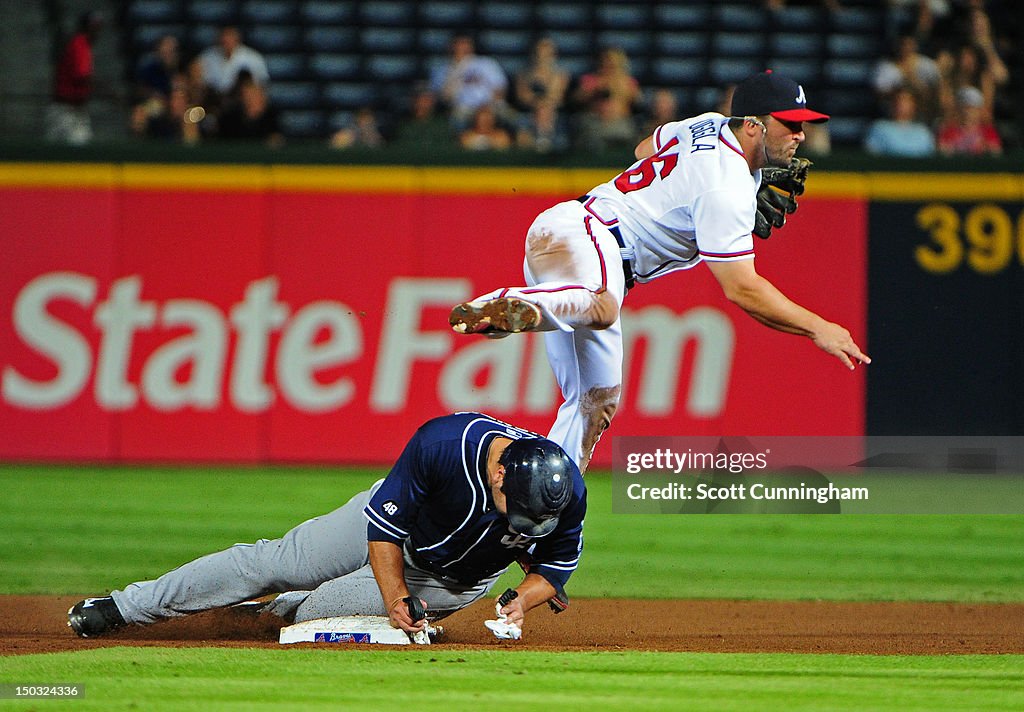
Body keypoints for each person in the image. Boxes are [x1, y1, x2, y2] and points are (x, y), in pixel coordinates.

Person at [449, 72, 870, 472]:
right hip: (587, 238)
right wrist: (818, 327)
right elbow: (744, 290)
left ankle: (547, 509)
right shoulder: (726, 189)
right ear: (753, 127)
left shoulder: (709, 124)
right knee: (602, 306)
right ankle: (512, 303)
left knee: (596, 402)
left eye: (803, 125)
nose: (800, 134)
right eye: (788, 123)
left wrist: (686, 190)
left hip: (583, 243)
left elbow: (644, 149)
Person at [67, 413, 585, 639]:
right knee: (270, 563)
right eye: (510, 505)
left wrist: (526, 598)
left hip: (449, 581)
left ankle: (271, 614)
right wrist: (393, 598)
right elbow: (384, 528)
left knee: (313, 613)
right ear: (499, 470)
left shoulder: (565, 490)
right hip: (385, 529)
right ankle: (124, 606)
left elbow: (556, 564)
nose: (513, 521)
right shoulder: (444, 444)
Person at [46, 11, 103, 145]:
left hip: (67, 109)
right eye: (94, 27)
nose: (98, 31)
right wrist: (109, 92)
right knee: (78, 154)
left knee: (54, 156)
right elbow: (83, 75)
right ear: (86, 27)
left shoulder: (79, 43)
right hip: (67, 111)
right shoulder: (80, 43)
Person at [429, 34, 508, 128]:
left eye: (465, 44)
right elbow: (443, 98)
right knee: (456, 120)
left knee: (514, 119)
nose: (462, 48)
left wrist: (486, 108)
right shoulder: (441, 69)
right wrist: (456, 69)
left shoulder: (486, 63)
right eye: (459, 44)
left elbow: (500, 90)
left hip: (489, 107)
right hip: (461, 110)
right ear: (451, 46)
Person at [573, 48, 642, 152]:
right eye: (606, 62)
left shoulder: (627, 82)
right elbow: (577, 99)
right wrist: (596, 89)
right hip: (595, 122)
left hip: (620, 123)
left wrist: (619, 87)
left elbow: (638, 101)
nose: (609, 66)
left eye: (613, 63)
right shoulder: (591, 80)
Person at [863, 88, 936, 157]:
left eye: (906, 100)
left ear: (914, 105)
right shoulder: (879, 127)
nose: (901, 104)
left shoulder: (923, 131)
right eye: (898, 100)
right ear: (891, 104)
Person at [199, 26, 269, 96]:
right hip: (214, 100)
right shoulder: (207, 57)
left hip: (242, 100)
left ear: (237, 38)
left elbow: (262, 85)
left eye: (230, 37)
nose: (227, 42)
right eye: (224, 38)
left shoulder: (253, 58)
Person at [936, 85, 1001, 156]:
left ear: (980, 110)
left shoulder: (988, 131)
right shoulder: (947, 130)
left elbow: (995, 151)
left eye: (972, 108)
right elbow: (942, 150)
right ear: (958, 109)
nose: (968, 112)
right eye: (965, 108)